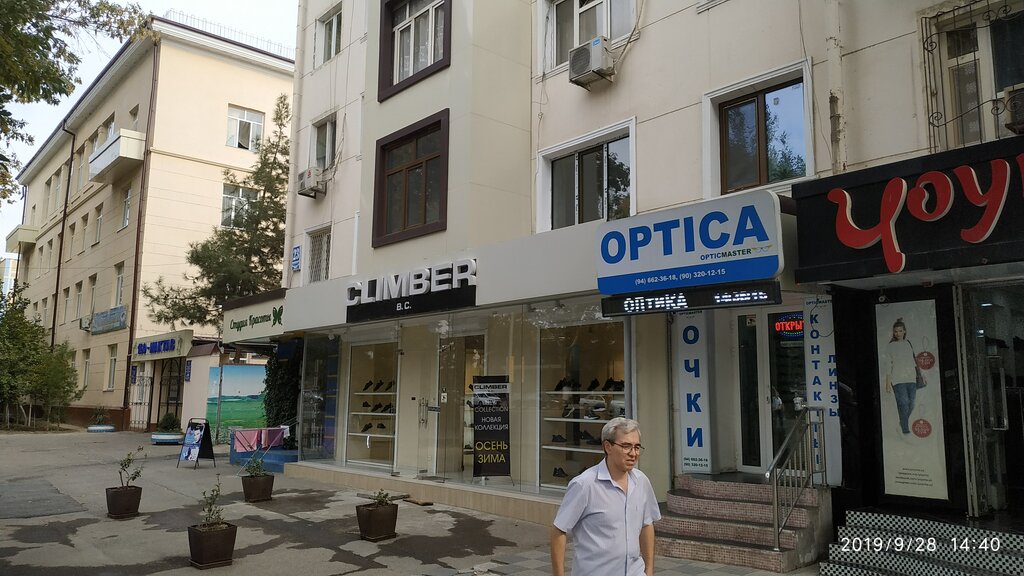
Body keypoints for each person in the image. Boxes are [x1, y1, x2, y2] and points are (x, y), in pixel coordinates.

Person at [550, 417, 662, 576]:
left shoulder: (641, 481)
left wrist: (649, 570)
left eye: (637, 447)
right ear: (608, 447)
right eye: (626, 446)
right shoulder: (585, 485)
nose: (633, 453)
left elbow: (647, 524)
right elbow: (558, 531)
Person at [884, 318, 919, 435]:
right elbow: (888, 366)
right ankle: (905, 429)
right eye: (896, 331)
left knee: (912, 404)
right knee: (903, 403)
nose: (898, 333)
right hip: (898, 380)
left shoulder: (908, 343)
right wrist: (887, 383)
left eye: (900, 331)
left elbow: (913, 361)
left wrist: (922, 375)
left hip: (911, 378)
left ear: (904, 331)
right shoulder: (890, 346)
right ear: (893, 333)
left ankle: (902, 422)